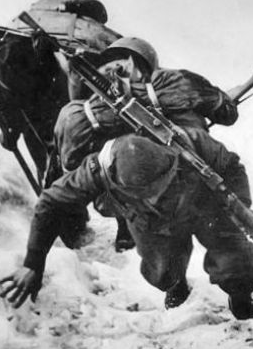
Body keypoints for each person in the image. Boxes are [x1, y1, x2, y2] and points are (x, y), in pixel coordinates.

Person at [0, 133, 253, 319]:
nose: (157, 197)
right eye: (149, 193)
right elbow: (50, 202)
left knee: (239, 265)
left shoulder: (190, 142)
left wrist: (241, 207)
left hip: (203, 206)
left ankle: (240, 296)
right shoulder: (98, 170)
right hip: (149, 222)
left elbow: (232, 165)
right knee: (162, 274)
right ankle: (175, 284)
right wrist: (33, 264)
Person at [54, 37, 239, 250]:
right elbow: (228, 114)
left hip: (127, 192)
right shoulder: (179, 82)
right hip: (184, 176)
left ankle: (126, 228)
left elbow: (72, 158)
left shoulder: (92, 106)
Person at [0, 0, 121, 188]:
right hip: (48, 94)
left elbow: (11, 113)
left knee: (50, 149)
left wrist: (9, 136)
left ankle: (55, 186)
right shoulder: (50, 26)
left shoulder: (9, 57)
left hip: (39, 95)